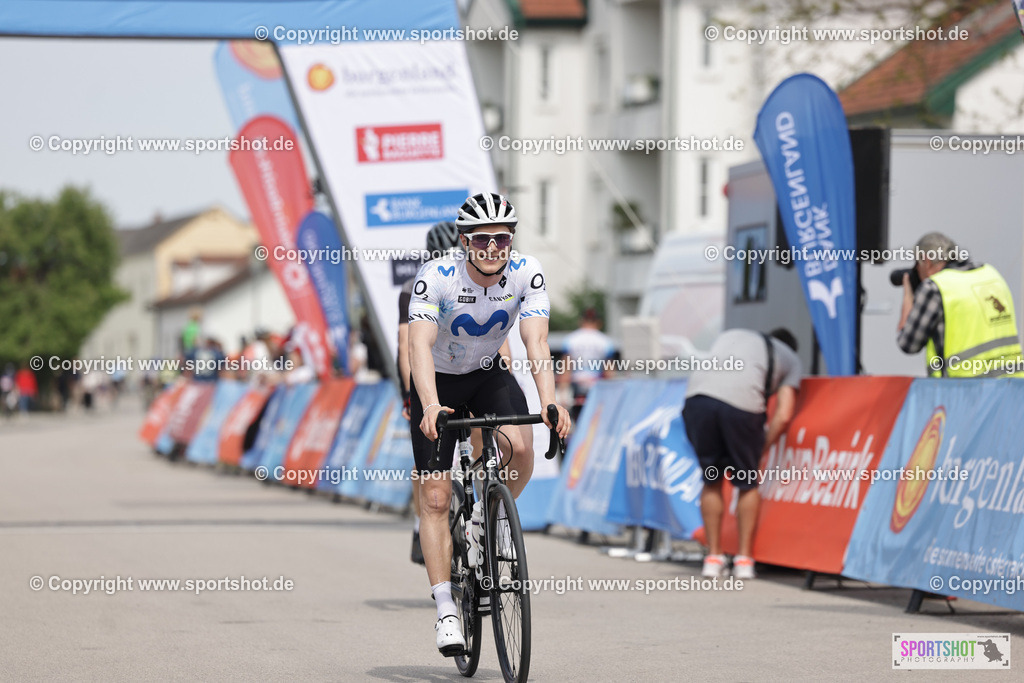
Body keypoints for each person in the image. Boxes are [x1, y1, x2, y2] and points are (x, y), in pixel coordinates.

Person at [407, 192, 571, 654]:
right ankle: (445, 610)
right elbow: (419, 346)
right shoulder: (436, 276)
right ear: (465, 241)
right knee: (436, 496)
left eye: (502, 237)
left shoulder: (526, 271)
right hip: (436, 381)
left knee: (521, 449)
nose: (494, 247)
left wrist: (550, 402)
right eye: (483, 239)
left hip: (486, 375)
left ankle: (486, 514)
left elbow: (536, 342)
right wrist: (431, 405)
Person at [682, 327, 801, 580]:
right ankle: (744, 559)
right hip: (741, 406)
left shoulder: (731, 335)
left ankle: (713, 558)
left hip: (696, 401)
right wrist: (761, 448)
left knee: (711, 479)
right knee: (747, 483)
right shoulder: (791, 359)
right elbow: (783, 415)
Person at [897, 232, 1023, 377]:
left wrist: (908, 294)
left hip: (963, 391)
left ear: (927, 261)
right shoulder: (991, 275)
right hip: (1012, 388)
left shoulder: (935, 288)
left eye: (917, 265)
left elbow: (908, 344)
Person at [562, 308, 617, 424]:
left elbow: (566, 369)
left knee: (579, 421)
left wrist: (563, 392)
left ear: (581, 321)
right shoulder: (605, 341)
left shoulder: (571, 340)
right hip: (596, 386)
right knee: (596, 422)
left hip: (577, 386)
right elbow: (609, 371)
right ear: (598, 322)